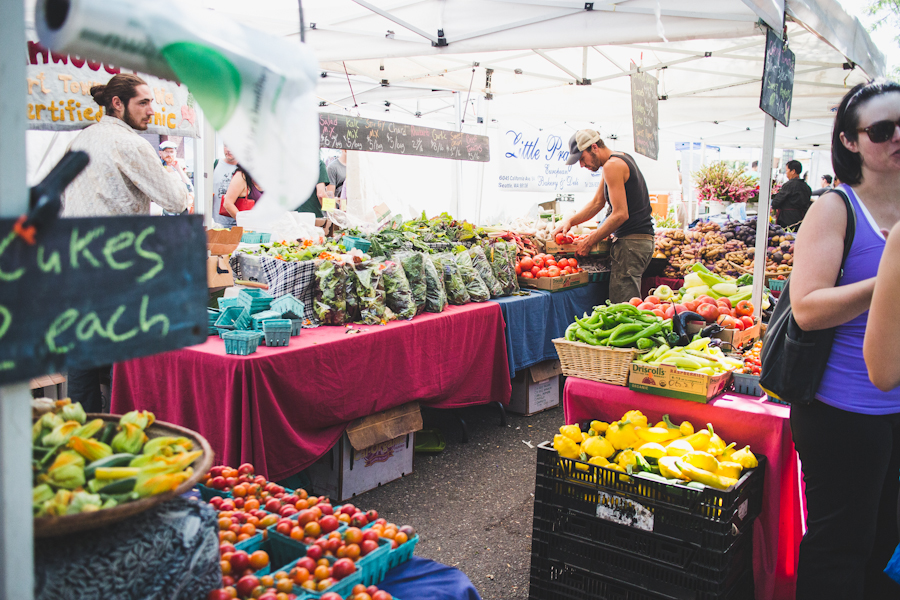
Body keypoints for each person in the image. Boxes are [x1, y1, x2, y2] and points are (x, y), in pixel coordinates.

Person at [790, 79, 900, 600]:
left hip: (895, 408)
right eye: (882, 130)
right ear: (851, 142)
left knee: (883, 537)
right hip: (842, 412)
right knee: (840, 545)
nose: (897, 137)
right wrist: (890, 282)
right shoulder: (836, 207)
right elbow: (806, 309)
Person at [61, 73, 191, 413]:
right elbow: (177, 200)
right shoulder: (131, 144)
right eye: (143, 103)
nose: (151, 111)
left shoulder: (81, 139)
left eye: (152, 102)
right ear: (117, 104)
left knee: (83, 360)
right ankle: (123, 428)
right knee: (125, 363)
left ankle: (86, 434)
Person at [553, 129, 654, 303]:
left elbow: (620, 214)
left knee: (623, 306)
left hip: (632, 243)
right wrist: (570, 221)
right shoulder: (617, 159)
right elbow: (597, 203)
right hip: (639, 242)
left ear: (594, 147)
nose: (582, 165)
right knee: (626, 301)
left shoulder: (612, 166)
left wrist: (589, 241)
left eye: (582, 159)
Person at [771, 159, 812, 228]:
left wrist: (773, 205)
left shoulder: (789, 185)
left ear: (793, 171)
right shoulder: (806, 187)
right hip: (801, 219)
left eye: (787, 170)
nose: (786, 173)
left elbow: (777, 201)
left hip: (787, 219)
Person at [158, 140, 194, 215]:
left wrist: (178, 168)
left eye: (171, 152)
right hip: (164, 207)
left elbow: (189, 187)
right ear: (160, 153)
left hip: (181, 208)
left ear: (175, 153)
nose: (169, 154)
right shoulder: (157, 166)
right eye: (166, 151)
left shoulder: (179, 166)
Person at [212, 144, 239, 227]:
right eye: (226, 145)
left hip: (239, 225)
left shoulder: (246, 168)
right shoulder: (215, 164)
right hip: (217, 224)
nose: (229, 149)